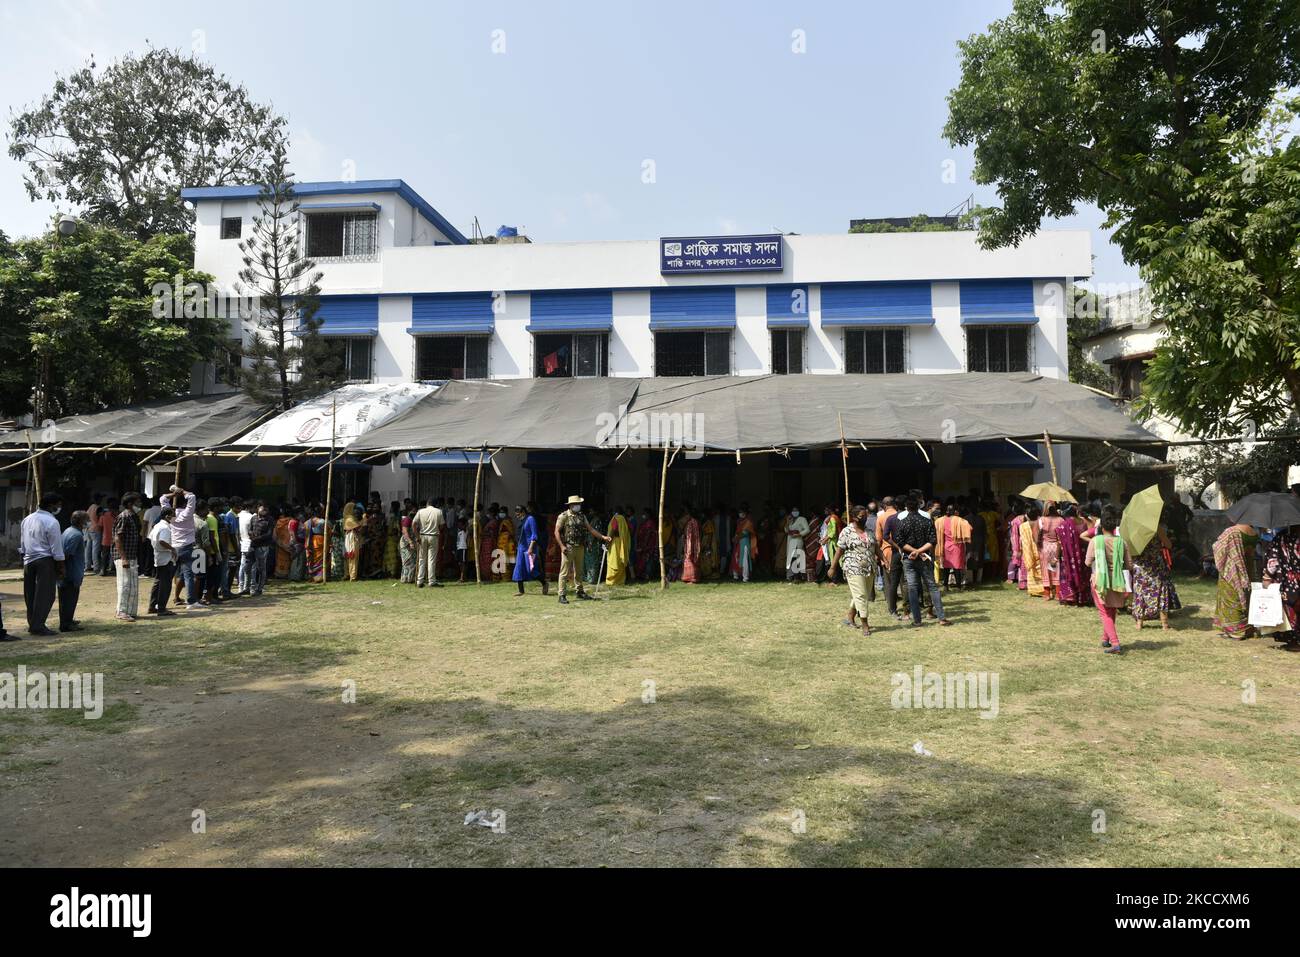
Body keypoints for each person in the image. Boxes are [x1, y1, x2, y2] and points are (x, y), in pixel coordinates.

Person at [893, 496, 951, 627]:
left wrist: (914, 551)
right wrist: (920, 551)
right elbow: (932, 540)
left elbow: (900, 542)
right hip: (924, 557)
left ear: (906, 508)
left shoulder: (902, 522)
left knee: (912, 588)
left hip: (909, 558)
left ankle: (917, 620)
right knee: (932, 587)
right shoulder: (927, 521)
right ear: (919, 506)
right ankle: (941, 618)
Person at [1085, 506, 1131, 654]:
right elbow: (1129, 564)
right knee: (1111, 610)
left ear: (1102, 526)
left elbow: (1087, 562)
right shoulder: (1122, 542)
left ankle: (1115, 643)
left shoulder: (1095, 541)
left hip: (1100, 579)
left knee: (1104, 612)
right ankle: (1106, 639)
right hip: (1117, 579)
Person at [19, 492, 65, 637]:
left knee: (30, 594)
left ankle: (33, 623)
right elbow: (56, 547)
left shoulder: (27, 519)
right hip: (45, 560)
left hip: (28, 559)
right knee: (45, 594)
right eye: (58, 505)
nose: (59, 508)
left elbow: (22, 543)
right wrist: (61, 566)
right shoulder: (52, 522)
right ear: (51, 506)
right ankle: (38, 626)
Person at [829, 505, 877, 637]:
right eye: (862, 516)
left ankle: (850, 617)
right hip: (853, 567)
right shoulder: (847, 531)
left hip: (869, 567)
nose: (865, 518)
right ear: (854, 517)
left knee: (863, 594)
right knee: (861, 596)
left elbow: (875, 546)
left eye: (866, 515)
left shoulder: (869, 530)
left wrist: (884, 559)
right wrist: (833, 567)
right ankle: (865, 624)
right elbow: (840, 550)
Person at [554, 495, 611, 604]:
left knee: (579, 571)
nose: (578, 506)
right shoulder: (563, 516)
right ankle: (561, 595)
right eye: (576, 504)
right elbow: (556, 531)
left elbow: (590, 529)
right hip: (568, 547)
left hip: (580, 546)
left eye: (579, 504)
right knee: (564, 572)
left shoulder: (582, 516)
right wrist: (562, 546)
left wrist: (603, 537)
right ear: (571, 505)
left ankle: (579, 591)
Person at [1129, 520, 1181, 630]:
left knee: (1140, 593)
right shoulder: (1156, 528)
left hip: (1141, 566)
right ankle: (1164, 624)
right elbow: (1168, 545)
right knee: (1161, 591)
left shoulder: (1134, 529)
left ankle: (1139, 623)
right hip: (1155, 565)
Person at [1212, 521, 1259, 640]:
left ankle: (1236, 631)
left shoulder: (1232, 531)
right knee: (1245, 597)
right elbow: (1250, 553)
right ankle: (1248, 628)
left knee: (1231, 598)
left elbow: (1217, 547)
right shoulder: (1254, 533)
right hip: (1247, 569)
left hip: (1231, 569)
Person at [160, 486, 200, 607]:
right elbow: (192, 496)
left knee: (171, 575)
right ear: (185, 504)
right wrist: (181, 490)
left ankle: (162, 602)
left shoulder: (169, 515)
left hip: (174, 547)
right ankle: (191, 601)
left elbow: (162, 499)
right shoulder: (187, 514)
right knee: (188, 575)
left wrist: (173, 494)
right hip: (186, 547)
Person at [1262, 525, 1300, 648]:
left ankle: (1293, 641)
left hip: (1286, 583)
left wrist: (1267, 578)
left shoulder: (1281, 537)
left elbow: (1273, 561)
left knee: (1289, 610)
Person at [111, 491, 144, 622]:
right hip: (124, 556)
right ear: (130, 504)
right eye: (137, 502)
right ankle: (121, 611)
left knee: (132, 585)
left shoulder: (133, 516)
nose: (140, 504)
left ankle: (130, 610)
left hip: (132, 555)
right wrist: (123, 557)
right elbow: (117, 538)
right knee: (124, 584)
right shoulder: (123, 516)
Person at [57, 510, 89, 633]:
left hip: (68, 572)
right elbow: (67, 554)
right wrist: (63, 569)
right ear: (81, 521)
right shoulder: (76, 535)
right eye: (87, 520)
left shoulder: (68, 531)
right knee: (70, 599)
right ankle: (66, 624)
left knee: (65, 599)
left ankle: (67, 620)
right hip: (71, 572)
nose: (88, 522)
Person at [147, 506, 178, 616]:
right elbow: (162, 541)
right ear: (167, 516)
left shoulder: (157, 526)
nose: (174, 517)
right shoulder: (165, 528)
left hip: (159, 556)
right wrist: (172, 549)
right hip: (165, 557)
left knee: (158, 582)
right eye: (173, 515)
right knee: (165, 584)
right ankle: (161, 608)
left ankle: (152, 606)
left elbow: (151, 538)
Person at [1056, 504, 1089, 606]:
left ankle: (1069, 597)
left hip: (1068, 554)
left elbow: (1060, 542)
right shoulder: (1083, 523)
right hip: (1082, 553)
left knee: (1067, 573)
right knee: (1081, 574)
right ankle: (1081, 598)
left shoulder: (1063, 525)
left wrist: (1057, 556)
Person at [512, 504, 549, 596]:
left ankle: (544, 583)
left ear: (523, 512)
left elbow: (534, 535)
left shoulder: (530, 519)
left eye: (518, 514)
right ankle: (521, 591)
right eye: (516, 515)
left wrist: (531, 548)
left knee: (531, 569)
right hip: (521, 548)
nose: (517, 516)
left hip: (530, 548)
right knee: (519, 568)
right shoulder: (521, 521)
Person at [935, 504, 971, 590]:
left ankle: (945, 585)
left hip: (945, 545)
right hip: (957, 546)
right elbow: (970, 528)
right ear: (955, 511)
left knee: (946, 566)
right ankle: (958, 586)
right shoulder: (959, 520)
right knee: (957, 567)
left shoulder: (940, 521)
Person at [413, 498, 445, 588]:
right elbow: (442, 525)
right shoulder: (439, 512)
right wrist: (437, 529)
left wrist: (417, 536)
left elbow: (413, 524)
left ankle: (420, 580)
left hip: (422, 535)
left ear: (427, 503)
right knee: (431, 559)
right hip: (434, 536)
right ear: (435, 504)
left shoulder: (421, 511)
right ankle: (431, 581)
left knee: (422, 559)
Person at [1035, 503, 1063, 602]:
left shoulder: (1042, 519)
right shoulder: (1060, 520)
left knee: (1045, 570)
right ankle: (1057, 594)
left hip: (1045, 546)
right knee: (1055, 570)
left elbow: (1038, 534)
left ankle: (1047, 594)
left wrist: (1038, 544)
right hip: (1056, 546)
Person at [247, 503, 274, 595]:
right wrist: (251, 535)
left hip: (263, 546)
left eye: (266, 510)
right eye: (262, 509)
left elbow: (269, 534)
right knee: (252, 567)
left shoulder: (269, 519)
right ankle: (252, 587)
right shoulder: (253, 518)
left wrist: (257, 538)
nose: (264, 511)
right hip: (253, 545)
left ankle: (260, 588)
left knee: (261, 568)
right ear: (258, 509)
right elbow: (250, 529)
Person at [1019, 504, 1044, 597]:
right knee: (1042, 569)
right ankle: (1044, 589)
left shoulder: (1023, 526)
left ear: (1026, 515)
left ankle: (1035, 590)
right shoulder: (1041, 523)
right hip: (1040, 549)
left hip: (1029, 550)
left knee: (1032, 569)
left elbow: (1024, 541)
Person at [729, 504, 757, 582]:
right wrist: (735, 537)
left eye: (742, 512)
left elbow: (745, 533)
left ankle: (745, 577)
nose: (740, 514)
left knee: (744, 560)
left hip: (744, 542)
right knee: (736, 558)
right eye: (739, 512)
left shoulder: (748, 522)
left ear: (745, 513)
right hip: (738, 543)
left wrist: (736, 537)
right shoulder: (739, 521)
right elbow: (737, 532)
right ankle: (736, 576)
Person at [605, 506, 631, 586]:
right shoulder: (624, 518)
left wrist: (608, 541)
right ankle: (620, 580)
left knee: (614, 560)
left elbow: (614, 529)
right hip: (621, 542)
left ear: (615, 511)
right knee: (620, 560)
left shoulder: (616, 518)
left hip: (615, 542)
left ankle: (612, 581)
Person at [785, 507, 809, 582]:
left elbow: (807, 529)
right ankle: (792, 576)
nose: (795, 512)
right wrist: (787, 522)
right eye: (793, 510)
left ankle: (797, 577)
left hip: (797, 540)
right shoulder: (791, 520)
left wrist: (799, 534)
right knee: (791, 558)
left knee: (796, 558)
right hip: (790, 540)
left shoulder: (802, 519)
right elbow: (786, 530)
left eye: (796, 510)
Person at [635, 508, 658, 581]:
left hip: (648, 546)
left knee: (648, 560)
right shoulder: (644, 523)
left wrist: (644, 545)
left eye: (644, 514)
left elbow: (648, 534)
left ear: (648, 515)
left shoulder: (650, 523)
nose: (643, 515)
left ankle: (647, 575)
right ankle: (642, 575)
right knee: (642, 560)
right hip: (643, 545)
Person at [96, 498, 117, 576]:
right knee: (115, 555)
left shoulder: (103, 515)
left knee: (104, 555)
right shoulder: (118, 515)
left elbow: (99, 527)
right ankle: (113, 568)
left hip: (106, 538)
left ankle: (103, 570)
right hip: (116, 538)